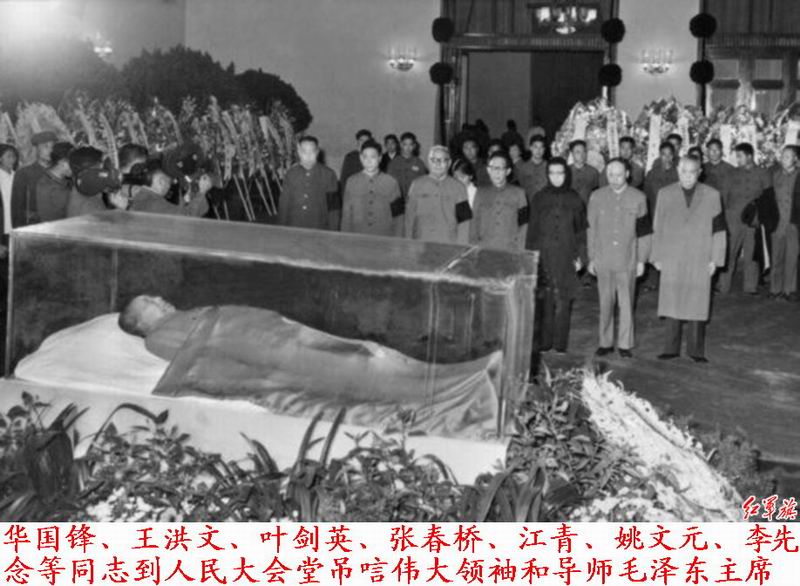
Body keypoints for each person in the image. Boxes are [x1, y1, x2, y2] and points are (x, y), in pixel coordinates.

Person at [117, 295, 501, 437]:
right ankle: (464, 390)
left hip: (280, 338)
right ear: (140, 323)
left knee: (365, 356)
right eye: (148, 303)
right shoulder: (157, 336)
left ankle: (462, 379)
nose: (159, 299)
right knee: (359, 370)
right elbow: (208, 345)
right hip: (272, 353)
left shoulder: (179, 318)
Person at [651, 157, 726, 363]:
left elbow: (719, 230)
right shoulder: (665, 194)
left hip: (700, 256)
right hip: (672, 256)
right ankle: (670, 348)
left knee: (697, 302)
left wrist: (715, 259)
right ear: (678, 170)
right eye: (684, 171)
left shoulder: (712, 195)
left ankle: (696, 351)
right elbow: (657, 227)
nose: (687, 176)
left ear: (699, 172)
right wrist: (656, 256)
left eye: (692, 172)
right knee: (672, 300)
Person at [587, 159, 651, 358]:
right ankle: (605, 342)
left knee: (626, 303)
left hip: (627, 259)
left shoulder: (638, 198)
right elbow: (591, 229)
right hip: (603, 258)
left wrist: (641, 260)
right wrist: (591, 257)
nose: (614, 179)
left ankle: (625, 344)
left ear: (628, 175)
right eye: (610, 175)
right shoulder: (596, 197)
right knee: (605, 303)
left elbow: (644, 233)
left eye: (619, 175)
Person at [526, 158, 587, 354]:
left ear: (566, 174)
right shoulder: (539, 198)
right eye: (552, 173)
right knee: (545, 301)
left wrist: (581, 257)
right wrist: (531, 258)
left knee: (563, 301)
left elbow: (581, 231)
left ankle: (560, 345)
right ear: (547, 175)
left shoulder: (575, 198)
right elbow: (532, 232)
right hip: (544, 256)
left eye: (560, 173)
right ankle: (545, 344)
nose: (556, 177)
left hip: (566, 256)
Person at [718, 143, 771, 295]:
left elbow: (768, 197)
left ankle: (750, 287)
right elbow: (723, 196)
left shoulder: (763, 173)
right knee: (729, 252)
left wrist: (761, 217)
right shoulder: (731, 174)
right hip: (733, 219)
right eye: (737, 156)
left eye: (740, 156)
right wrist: (723, 219)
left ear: (749, 156)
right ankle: (723, 285)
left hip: (754, 220)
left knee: (752, 253)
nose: (738, 159)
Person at [405, 146, 471, 245]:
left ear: (449, 163)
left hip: (449, 243)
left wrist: (461, 247)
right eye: (433, 160)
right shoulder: (416, 185)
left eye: (442, 160)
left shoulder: (459, 187)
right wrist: (408, 244)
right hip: (421, 242)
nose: (437, 164)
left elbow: (464, 222)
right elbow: (409, 219)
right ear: (428, 162)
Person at [341, 140, 404, 237]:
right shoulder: (351, 182)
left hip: (384, 237)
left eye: (373, 157)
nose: (369, 161)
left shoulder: (391, 182)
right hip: (357, 236)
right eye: (365, 157)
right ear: (360, 158)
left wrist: (398, 241)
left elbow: (398, 217)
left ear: (380, 158)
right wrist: (345, 238)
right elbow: (346, 216)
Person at [469, 151, 529, 252]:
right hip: (485, 249)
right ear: (488, 170)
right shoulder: (480, 193)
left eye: (501, 168)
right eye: (493, 168)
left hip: (510, 250)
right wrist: (474, 248)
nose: (497, 173)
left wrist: (519, 250)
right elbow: (474, 223)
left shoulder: (519, 193)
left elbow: (524, 226)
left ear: (508, 171)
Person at [278, 136, 340, 231]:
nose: (308, 156)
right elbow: (284, 204)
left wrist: (333, 231)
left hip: (318, 227)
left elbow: (333, 208)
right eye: (304, 152)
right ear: (299, 152)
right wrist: (281, 228)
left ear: (317, 152)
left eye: (312, 152)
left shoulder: (328, 175)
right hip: (294, 226)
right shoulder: (291, 174)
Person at [129, 160, 210, 217]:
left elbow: (174, 213)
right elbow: (186, 218)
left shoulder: (142, 197)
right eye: (170, 181)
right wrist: (202, 191)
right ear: (161, 181)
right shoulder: (153, 203)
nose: (169, 185)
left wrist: (184, 201)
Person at [769, 145, 799, 301]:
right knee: (776, 257)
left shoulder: (798, 176)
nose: (783, 159)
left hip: (794, 223)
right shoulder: (775, 176)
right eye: (782, 155)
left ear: (796, 159)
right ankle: (775, 289)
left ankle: (789, 290)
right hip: (778, 223)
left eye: (787, 156)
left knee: (792, 257)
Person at [11, 130, 56, 228]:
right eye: (45, 146)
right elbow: (17, 208)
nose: (50, 151)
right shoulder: (24, 174)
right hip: (34, 227)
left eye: (52, 147)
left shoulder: (61, 172)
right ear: (36, 149)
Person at [66, 147, 129, 217]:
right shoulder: (88, 208)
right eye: (102, 169)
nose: (107, 172)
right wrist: (122, 210)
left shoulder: (84, 191)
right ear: (89, 175)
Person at [34, 141, 73, 223]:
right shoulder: (46, 186)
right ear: (62, 162)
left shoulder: (64, 180)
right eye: (73, 163)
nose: (75, 167)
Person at [387, 132, 427, 199]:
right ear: (401, 145)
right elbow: (389, 183)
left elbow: (424, 183)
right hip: (397, 199)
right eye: (405, 144)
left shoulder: (419, 163)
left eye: (410, 145)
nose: (408, 148)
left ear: (414, 146)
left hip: (414, 198)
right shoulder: (393, 163)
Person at [644, 142, 678, 214]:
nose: (667, 158)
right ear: (659, 155)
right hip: (656, 213)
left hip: (674, 212)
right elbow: (646, 195)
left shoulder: (679, 174)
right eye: (664, 154)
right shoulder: (652, 174)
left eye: (669, 154)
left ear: (673, 156)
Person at [516, 135, 549, 206]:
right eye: (535, 147)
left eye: (541, 147)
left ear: (544, 149)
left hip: (546, 204)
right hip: (529, 204)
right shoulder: (523, 168)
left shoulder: (549, 167)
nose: (538, 150)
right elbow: (522, 187)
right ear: (530, 148)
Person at [569, 139, 600, 205]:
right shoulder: (566, 171)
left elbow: (597, 193)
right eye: (578, 152)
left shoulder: (593, 172)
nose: (581, 155)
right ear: (572, 154)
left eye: (584, 152)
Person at [0, 144, 18, 242]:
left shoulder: (18, 176)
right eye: (8, 156)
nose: (12, 160)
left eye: (14, 156)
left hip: (16, 225)